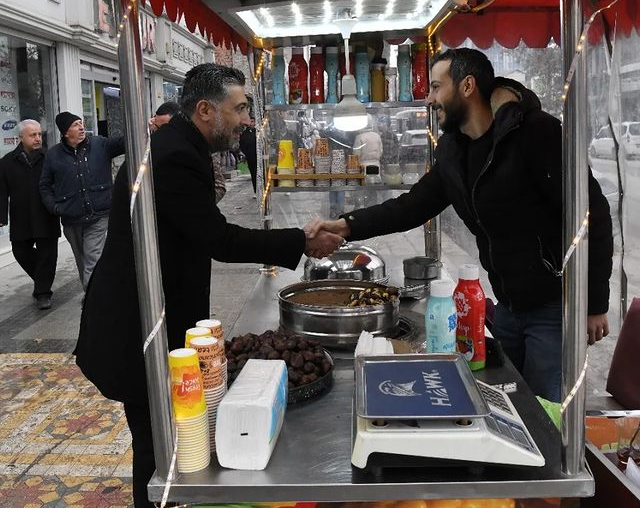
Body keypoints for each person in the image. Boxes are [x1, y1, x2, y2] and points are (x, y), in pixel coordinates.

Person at [74, 63, 342, 508]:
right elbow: (217, 238)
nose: (244, 121)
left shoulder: (180, 143)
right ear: (205, 110)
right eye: (238, 109)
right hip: (136, 327)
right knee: (158, 448)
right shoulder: (174, 155)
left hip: (157, 315)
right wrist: (300, 241)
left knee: (168, 440)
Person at [307, 47, 613, 403]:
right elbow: (411, 206)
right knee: (512, 400)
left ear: (467, 86)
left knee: (547, 410)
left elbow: (592, 213)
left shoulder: (536, 132)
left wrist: (594, 303)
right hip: (509, 306)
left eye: (437, 87)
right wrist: (344, 226)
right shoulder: (455, 150)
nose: (430, 97)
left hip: (554, 305)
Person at [39, 112, 125, 290]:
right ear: (65, 132)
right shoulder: (53, 155)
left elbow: (124, 142)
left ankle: (94, 300)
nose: (81, 127)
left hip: (99, 215)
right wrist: (55, 208)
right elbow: (45, 185)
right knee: (82, 261)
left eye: (81, 123)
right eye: (75, 125)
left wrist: (148, 128)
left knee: (93, 258)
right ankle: (92, 294)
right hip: (72, 218)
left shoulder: (99, 144)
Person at [0, 119, 60, 309]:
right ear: (20, 138)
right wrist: (1, 218)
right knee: (20, 252)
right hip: (21, 217)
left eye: (39, 135)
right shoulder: (6, 163)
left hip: (46, 215)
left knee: (47, 255)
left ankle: (43, 293)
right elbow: (1, 191)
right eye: (32, 135)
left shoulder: (50, 158)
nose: (37, 138)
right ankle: (43, 280)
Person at [151, 99, 227, 203]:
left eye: (166, 127)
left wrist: (199, 206)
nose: (164, 132)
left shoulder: (199, 145)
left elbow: (219, 186)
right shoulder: (151, 144)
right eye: (158, 127)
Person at [239, 115, 258, 192]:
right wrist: (245, 154)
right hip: (251, 158)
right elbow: (242, 144)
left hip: (260, 157)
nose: (252, 123)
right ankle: (256, 191)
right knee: (254, 175)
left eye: (253, 121)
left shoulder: (258, 131)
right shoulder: (244, 133)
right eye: (250, 121)